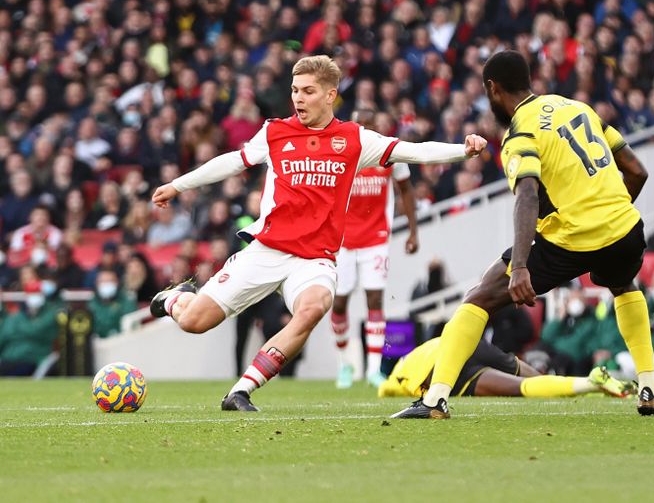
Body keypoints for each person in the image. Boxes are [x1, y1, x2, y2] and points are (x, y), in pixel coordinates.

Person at [148, 55, 486, 411]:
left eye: (308, 91)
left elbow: (412, 151)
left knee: (314, 307)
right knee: (194, 322)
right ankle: (172, 299)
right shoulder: (275, 132)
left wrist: (462, 151)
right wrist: (178, 184)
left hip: (315, 259)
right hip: (267, 251)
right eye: (295, 90)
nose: (298, 98)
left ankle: (241, 391)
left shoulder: (354, 139)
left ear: (330, 95)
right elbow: (232, 161)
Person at [391, 50, 654, 419]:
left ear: (493, 89)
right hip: (626, 228)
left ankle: (435, 398)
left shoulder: (520, 131)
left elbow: (527, 195)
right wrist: (608, 212)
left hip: (571, 238)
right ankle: (648, 386)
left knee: (481, 296)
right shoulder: (578, 107)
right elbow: (638, 171)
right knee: (623, 286)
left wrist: (520, 267)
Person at [331, 109, 421, 389]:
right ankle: (345, 364)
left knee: (375, 301)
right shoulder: (340, 154)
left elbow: (406, 190)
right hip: (342, 241)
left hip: (376, 238)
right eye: (359, 123)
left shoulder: (388, 151)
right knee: (340, 302)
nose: (364, 128)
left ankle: (372, 369)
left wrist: (413, 230)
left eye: (369, 124)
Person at [378, 337, 634, 400]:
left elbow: (385, 390)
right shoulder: (422, 347)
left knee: (520, 389)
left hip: (442, 372)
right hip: (468, 343)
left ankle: (590, 383)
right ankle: (592, 384)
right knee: (527, 375)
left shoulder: (398, 375)